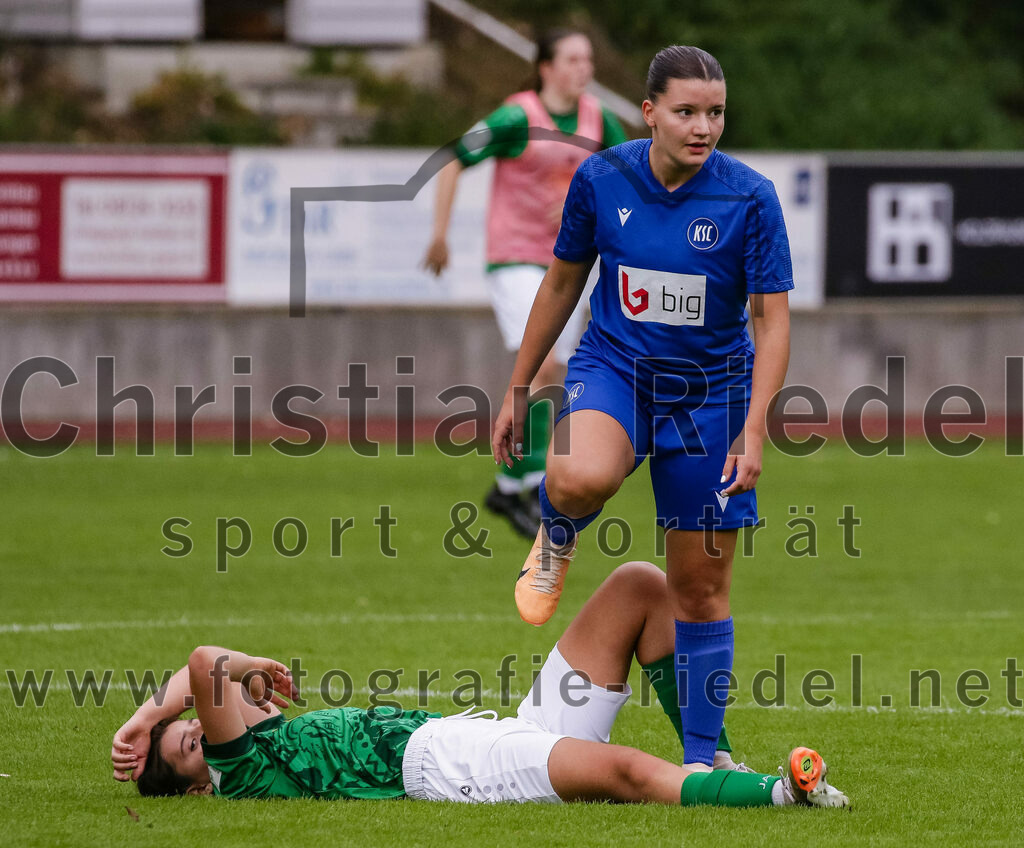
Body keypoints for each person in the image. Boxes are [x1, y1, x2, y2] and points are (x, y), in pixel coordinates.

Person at [490, 45, 794, 772]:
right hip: (616, 369)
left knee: (699, 586)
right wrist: (519, 384)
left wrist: (754, 430)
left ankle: (701, 762)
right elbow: (563, 283)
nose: (703, 127)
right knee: (575, 476)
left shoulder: (749, 197)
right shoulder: (603, 177)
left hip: (713, 395)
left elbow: (772, 321)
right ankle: (555, 540)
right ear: (650, 112)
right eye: (687, 111)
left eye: (715, 112)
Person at [111, 562, 848, 808]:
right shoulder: (242, 776)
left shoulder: (254, 741)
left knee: (638, 587)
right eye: (190, 742)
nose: (201, 727)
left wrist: (148, 721)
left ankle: (716, 759)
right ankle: (782, 794)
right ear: (201, 784)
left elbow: (191, 678)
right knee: (627, 775)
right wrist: (232, 673)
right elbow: (205, 662)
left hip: (484, 728)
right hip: (452, 766)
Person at [423, 28, 629, 539]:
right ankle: (536, 485)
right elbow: (452, 158)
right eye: (574, 59)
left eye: (588, 59)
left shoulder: (597, 119)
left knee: (551, 377)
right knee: (543, 365)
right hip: (514, 259)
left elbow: (631, 173)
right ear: (546, 67)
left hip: (569, 266)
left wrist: (596, 203)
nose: (586, 68)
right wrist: (440, 234)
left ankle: (507, 485)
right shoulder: (517, 116)